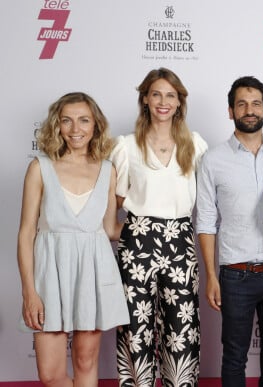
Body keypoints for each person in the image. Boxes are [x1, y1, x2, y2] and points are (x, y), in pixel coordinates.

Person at [17, 92, 129, 386]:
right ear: (57, 125)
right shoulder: (39, 168)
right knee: (51, 374)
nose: (75, 128)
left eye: (83, 120)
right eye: (67, 120)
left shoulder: (107, 170)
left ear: (95, 125)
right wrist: (29, 291)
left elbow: (108, 230)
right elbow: (27, 232)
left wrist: (147, 220)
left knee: (85, 361)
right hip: (48, 276)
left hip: (93, 273)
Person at [110, 68, 208, 387]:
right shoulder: (126, 146)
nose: (163, 101)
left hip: (180, 239)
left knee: (182, 328)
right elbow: (116, 198)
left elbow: (215, 188)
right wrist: (124, 231)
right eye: (156, 94)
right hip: (137, 241)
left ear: (179, 102)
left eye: (170, 95)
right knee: (136, 328)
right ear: (145, 99)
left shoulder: (195, 145)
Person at [196, 76, 263, 387]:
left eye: (255, 104)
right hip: (235, 274)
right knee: (234, 354)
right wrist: (211, 275)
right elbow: (207, 222)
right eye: (241, 104)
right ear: (230, 111)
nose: (249, 110)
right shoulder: (212, 160)